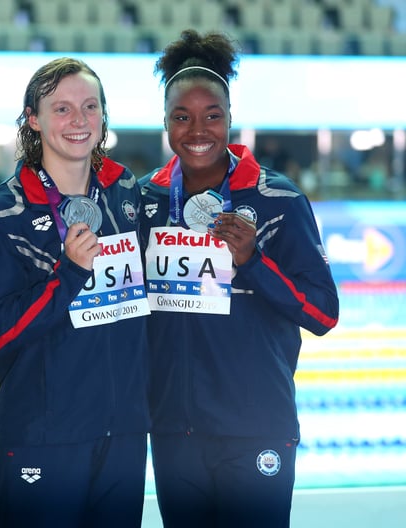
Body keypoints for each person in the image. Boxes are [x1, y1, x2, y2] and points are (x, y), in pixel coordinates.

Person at [138, 30, 340, 528]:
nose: (197, 129)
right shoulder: (142, 202)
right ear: (165, 123)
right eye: (181, 117)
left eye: (213, 116)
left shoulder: (278, 200)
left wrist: (253, 261)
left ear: (230, 118)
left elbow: (322, 313)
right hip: (173, 430)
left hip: (256, 427)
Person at [0, 57, 151, 527]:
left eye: (90, 107)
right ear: (34, 118)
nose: (79, 121)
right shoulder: (2, 213)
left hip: (123, 435)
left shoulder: (124, 191)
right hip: (44, 436)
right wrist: (68, 275)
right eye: (63, 109)